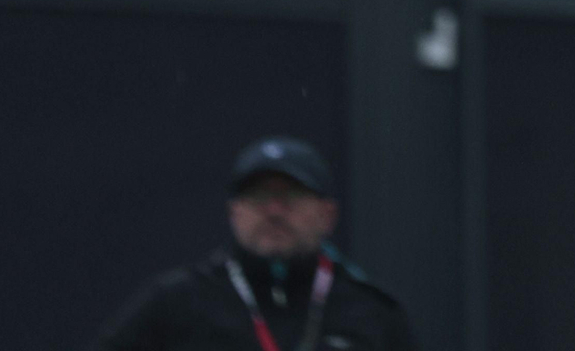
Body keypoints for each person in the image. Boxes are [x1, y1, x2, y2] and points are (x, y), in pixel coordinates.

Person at [91, 136, 417, 351]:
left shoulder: (372, 314)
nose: (274, 210)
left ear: (326, 214)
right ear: (235, 212)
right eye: (259, 196)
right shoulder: (177, 303)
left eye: (291, 196)